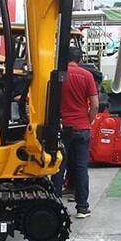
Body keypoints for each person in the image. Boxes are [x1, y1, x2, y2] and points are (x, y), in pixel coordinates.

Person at [51, 47, 98, 219]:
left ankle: (55, 206)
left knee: (58, 167)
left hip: (62, 128)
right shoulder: (87, 76)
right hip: (82, 127)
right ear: (80, 60)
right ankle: (82, 207)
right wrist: (88, 121)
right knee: (81, 168)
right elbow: (95, 105)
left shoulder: (58, 76)